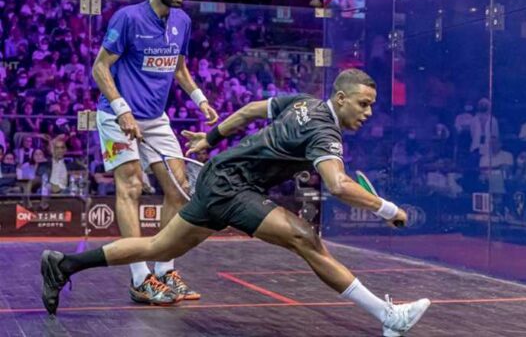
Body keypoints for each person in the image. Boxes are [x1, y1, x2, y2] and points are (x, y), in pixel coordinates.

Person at [42, 69, 430, 336]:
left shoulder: (304, 103)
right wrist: (388, 209)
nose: (368, 113)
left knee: (158, 246)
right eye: (363, 104)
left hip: (219, 177)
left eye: (371, 105)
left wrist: (209, 139)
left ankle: (64, 265)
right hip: (232, 187)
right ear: (341, 98)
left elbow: (248, 112)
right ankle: (388, 316)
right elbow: (338, 184)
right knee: (304, 237)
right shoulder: (324, 131)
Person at [90, 0, 219, 305]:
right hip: (116, 116)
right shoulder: (128, 17)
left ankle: (164, 271)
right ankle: (139, 277)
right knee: (131, 186)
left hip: (156, 118)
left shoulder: (182, 21)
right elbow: (100, 68)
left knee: (178, 190)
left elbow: (179, 68)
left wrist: (200, 100)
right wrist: (122, 111)